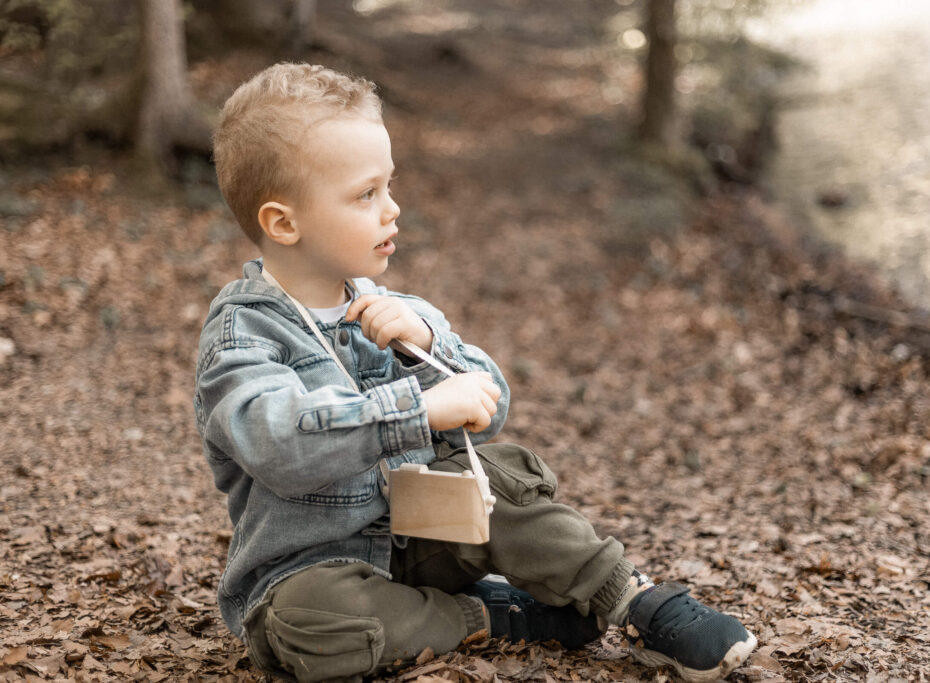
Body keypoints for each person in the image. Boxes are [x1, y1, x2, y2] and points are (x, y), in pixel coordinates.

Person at [194, 62, 757, 682]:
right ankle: (488, 614)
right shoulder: (243, 335)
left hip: (416, 537)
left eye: (390, 186)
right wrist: (416, 410)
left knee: (493, 476)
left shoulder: (395, 311)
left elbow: (488, 408)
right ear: (283, 223)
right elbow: (278, 442)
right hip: (308, 574)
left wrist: (431, 346)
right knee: (309, 623)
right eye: (365, 194)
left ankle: (630, 597)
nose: (393, 209)